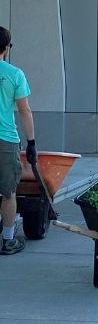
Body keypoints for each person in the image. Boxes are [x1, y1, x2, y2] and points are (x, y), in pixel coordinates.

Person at [0, 27, 35, 255]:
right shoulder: (14, 74)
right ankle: (8, 240)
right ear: (6, 48)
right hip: (5, 140)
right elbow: (24, 110)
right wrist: (31, 142)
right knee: (7, 193)